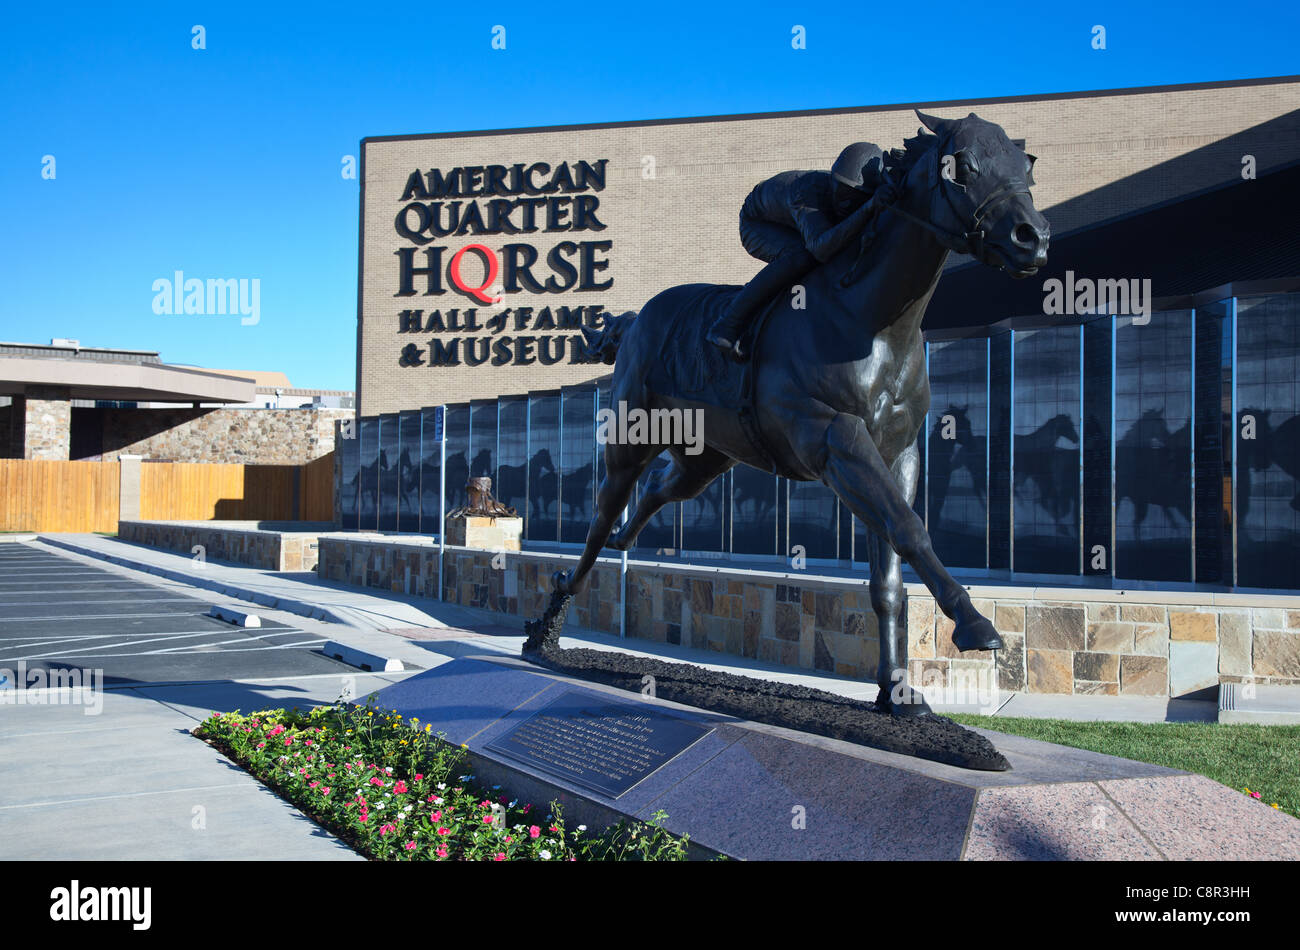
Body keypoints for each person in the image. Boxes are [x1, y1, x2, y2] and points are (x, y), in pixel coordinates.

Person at [706, 141, 898, 360]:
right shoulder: (807, 191)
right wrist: (868, 207)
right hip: (758, 223)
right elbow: (820, 249)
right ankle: (727, 324)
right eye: (840, 191)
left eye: (853, 198)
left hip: (797, 225)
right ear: (832, 179)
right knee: (800, 256)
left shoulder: (852, 199)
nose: (844, 202)